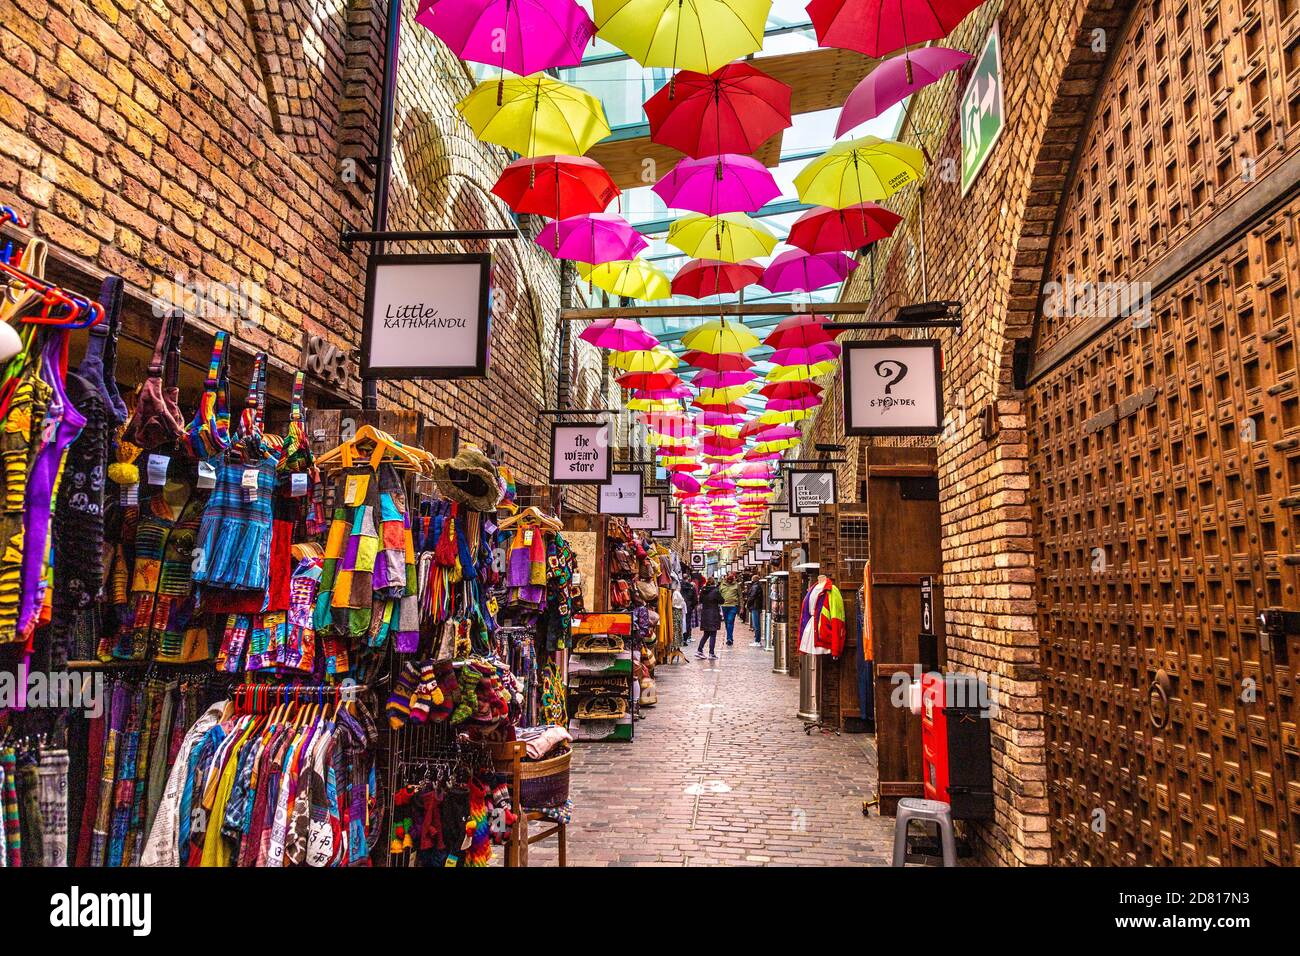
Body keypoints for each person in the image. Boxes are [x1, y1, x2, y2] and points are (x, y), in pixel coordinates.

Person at [696, 577, 723, 660]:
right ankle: (711, 653)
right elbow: (722, 601)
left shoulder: (703, 591)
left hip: (705, 614)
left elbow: (700, 601)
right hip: (713, 614)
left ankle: (699, 650)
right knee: (713, 634)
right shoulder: (715, 591)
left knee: (706, 634)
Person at [719, 573, 741, 646]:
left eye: (731, 580)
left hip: (733, 606)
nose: (729, 581)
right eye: (728, 580)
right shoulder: (722, 585)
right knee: (727, 622)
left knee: (730, 621)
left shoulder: (737, 585)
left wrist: (742, 607)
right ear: (726, 579)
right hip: (724, 606)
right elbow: (718, 594)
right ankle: (730, 637)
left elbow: (740, 596)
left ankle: (729, 639)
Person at [679, 574, 697, 646]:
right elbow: (695, 599)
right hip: (688, 606)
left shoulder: (679, 586)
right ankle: (686, 638)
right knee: (687, 622)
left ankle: (680, 638)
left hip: (680, 606)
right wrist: (692, 606)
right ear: (688, 578)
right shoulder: (691, 587)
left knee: (680, 621)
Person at [745, 574, 763, 646]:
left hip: (755, 607)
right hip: (756, 606)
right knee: (756, 624)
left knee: (756, 624)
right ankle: (757, 640)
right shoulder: (757, 586)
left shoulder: (755, 586)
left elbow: (752, 596)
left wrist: (748, 604)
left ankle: (757, 641)